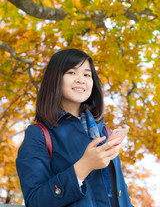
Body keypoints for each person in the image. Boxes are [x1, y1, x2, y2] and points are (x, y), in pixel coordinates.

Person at [16, 48, 134, 207]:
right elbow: (35, 201)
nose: (81, 79)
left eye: (87, 74)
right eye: (72, 72)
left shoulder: (104, 131)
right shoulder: (39, 134)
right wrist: (83, 166)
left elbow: (120, 193)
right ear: (55, 78)